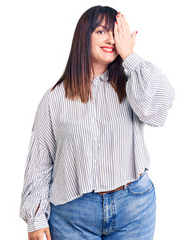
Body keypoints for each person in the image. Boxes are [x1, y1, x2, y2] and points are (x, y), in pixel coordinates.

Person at [19, 5, 175, 240]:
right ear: (84, 37)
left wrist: (129, 56)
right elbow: (41, 160)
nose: (110, 39)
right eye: (101, 31)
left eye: (115, 32)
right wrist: (36, 217)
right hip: (72, 215)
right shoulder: (54, 98)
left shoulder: (132, 86)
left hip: (134, 209)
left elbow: (157, 111)